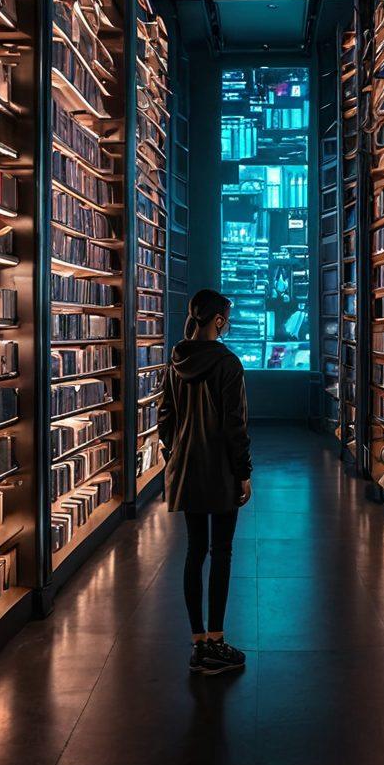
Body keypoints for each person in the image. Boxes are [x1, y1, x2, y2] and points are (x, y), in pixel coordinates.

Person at [158, 288, 252, 676]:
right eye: (226, 317)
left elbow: (165, 418)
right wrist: (243, 472)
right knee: (222, 552)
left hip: (186, 469)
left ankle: (198, 644)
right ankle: (216, 640)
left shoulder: (176, 359)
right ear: (217, 320)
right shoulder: (228, 363)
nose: (227, 323)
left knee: (194, 552)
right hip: (220, 470)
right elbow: (235, 425)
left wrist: (175, 455)